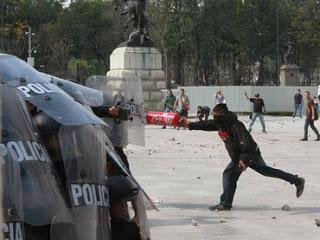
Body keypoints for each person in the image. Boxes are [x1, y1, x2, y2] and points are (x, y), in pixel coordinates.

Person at [186, 103, 305, 211]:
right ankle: (296, 180)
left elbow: (247, 144)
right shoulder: (220, 123)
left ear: (223, 114)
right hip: (239, 157)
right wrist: (189, 125)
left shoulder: (235, 126)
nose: (215, 118)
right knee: (234, 174)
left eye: (216, 115)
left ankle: (226, 203)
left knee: (237, 173)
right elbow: (206, 124)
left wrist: (243, 160)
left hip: (250, 154)